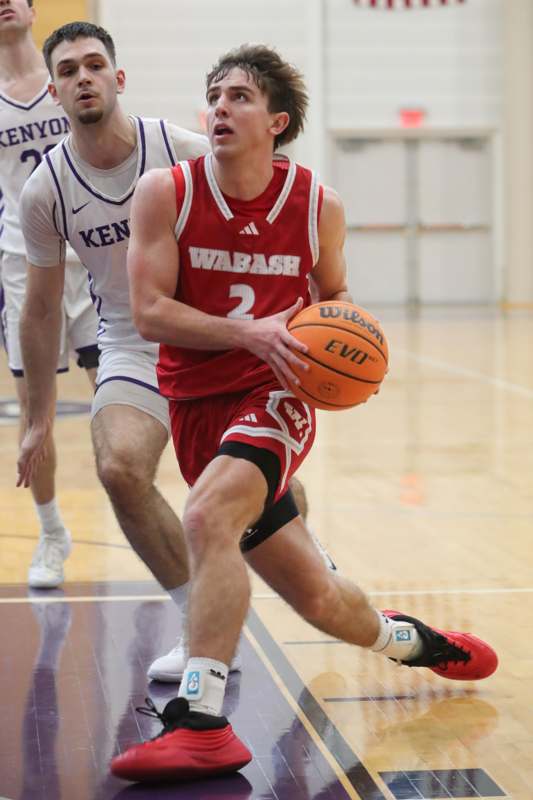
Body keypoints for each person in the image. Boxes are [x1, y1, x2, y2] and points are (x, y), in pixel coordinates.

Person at [111, 44, 498, 784]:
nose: (219, 108)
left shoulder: (317, 205)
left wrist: (342, 338)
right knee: (320, 601)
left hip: (277, 393)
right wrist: (246, 329)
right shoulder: (167, 192)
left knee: (202, 518)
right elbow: (150, 312)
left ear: (275, 121)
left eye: (239, 98)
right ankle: (415, 643)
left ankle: (201, 722)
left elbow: (337, 295)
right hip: (198, 404)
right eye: (214, 95)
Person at [14, 22, 327, 684]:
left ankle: (294, 538)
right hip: (131, 341)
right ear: (54, 93)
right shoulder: (47, 189)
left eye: (94, 64)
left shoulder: (177, 148)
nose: (82, 77)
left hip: (212, 333)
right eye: (67, 70)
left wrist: (297, 326)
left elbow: (269, 207)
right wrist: (37, 417)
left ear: (118, 78)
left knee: (251, 487)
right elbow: (40, 309)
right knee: (120, 467)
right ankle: (201, 628)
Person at [0, 0, 99, 588]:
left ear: (34, 10)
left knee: (118, 395)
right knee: (34, 409)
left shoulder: (69, 76)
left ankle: (148, 514)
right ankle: (52, 531)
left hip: (87, 254)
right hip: (20, 262)